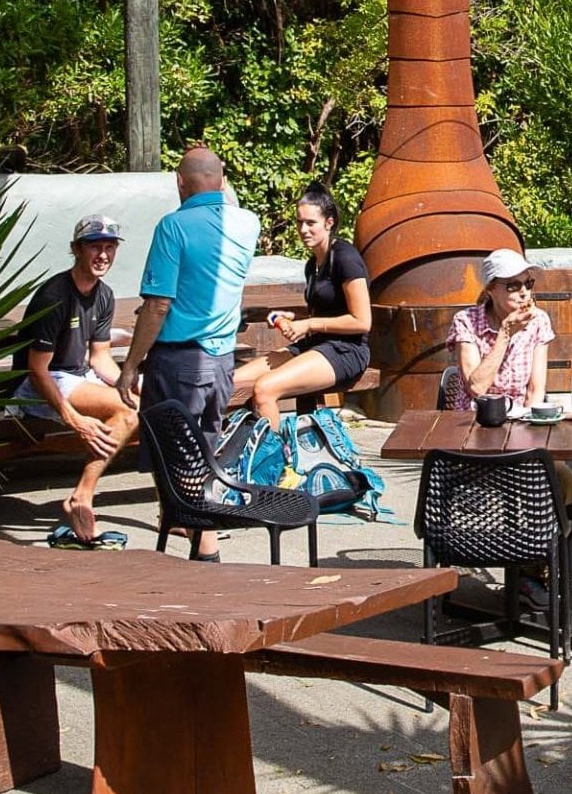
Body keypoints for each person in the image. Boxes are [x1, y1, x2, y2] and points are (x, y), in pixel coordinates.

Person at [118, 145, 261, 559]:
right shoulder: (247, 224)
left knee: (177, 460)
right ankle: (190, 539)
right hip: (220, 362)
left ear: (179, 183)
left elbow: (158, 305)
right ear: (222, 180)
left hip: (179, 358)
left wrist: (130, 365)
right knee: (204, 452)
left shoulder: (173, 228)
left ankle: (206, 551)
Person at [21, 215, 139, 549]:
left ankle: (172, 514)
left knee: (148, 407)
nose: (103, 255)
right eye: (95, 247)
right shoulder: (54, 296)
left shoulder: (104, 294)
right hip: (37, 384)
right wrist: (75, 421)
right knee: (128, 414)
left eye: (110, 247)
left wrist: (131, 383)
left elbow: (99, 358)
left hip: (76, 375)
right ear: (76, 250)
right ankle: (82, 497)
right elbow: (37, 371)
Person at [232, 186, 372, 425]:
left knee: (265, 389)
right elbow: (325, 308)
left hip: (346, 350)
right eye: (299, 223)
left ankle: (277, 461)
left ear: (329, 222)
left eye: (310, 223)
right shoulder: (312, 264)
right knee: (233, 380)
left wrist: (307, 324)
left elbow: (362, 321)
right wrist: (292, 316)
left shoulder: (346, 258)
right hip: (314, 344)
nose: (303, 230)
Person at [441, 248, 553, 413]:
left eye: (528, 284)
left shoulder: (539, 320)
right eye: (513, 286)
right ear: (490, 289)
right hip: (473, 419)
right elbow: (477, 389)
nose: (524, 293)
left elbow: (535, 390)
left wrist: (530, 425)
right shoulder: (466, 321)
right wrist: (505, 333)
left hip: (519, 418)